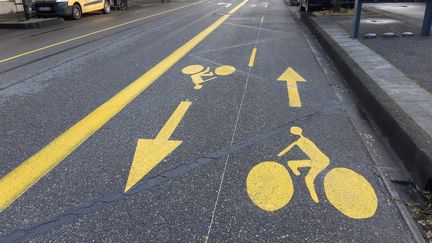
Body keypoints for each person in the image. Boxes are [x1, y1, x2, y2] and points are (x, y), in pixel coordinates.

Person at [277, 126, 330, 203]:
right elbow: (288, 148)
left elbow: (287, 148)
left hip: (320, 161)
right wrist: (280, 154)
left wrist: (279, 154)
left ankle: (315, 198)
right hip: (320, 160)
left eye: (293, 133)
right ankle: (294, 166)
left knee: (308, 178)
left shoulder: (300, 141)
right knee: (296, 165)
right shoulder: (303, 140)